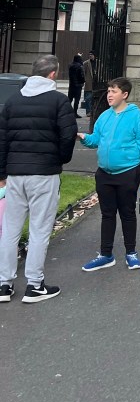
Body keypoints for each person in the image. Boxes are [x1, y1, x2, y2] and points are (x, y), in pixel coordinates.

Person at [0, 53, 77, 303]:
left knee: (10, 230)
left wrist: (2, 172)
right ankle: (34, 284)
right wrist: (60, 159)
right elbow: (68, 135)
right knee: (39, 230)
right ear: (53, 74)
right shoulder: (58, 101)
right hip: (44, 172)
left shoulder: (13, 101)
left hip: (15, 174)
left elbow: (2, 139)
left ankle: (4, 284)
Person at [78, 77, 140, 271]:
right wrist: (84, 138)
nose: (109, 95)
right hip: (104, 173)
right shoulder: (104, 116)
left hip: (128, 171)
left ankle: (131, 253)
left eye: (114, 91)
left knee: (127, 213)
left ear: (125, 94)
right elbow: (96, 140)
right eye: (108, 91)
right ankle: (106, 255)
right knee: (107, 214)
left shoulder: (135, 116)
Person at [83, 50, 96, 116]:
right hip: (89, 83)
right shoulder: (86, 63)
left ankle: (93, 111)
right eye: (89, 54)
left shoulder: (98, 63)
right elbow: (83, 72)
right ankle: (88, 111)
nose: (90, 55)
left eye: (91, 54)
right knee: (88, 98)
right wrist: (85, 80)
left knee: (94, 98)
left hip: (96, 82)